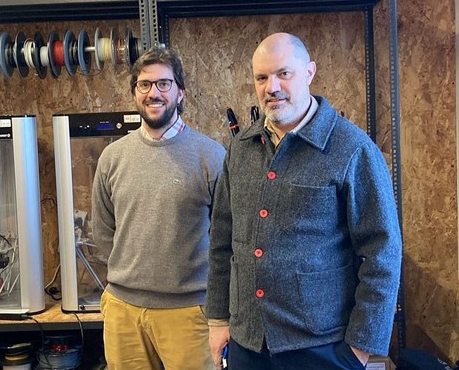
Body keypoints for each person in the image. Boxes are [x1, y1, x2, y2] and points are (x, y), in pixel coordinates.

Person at [206, 32, 402, 370]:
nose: (272, 87)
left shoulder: (352, 149)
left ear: (309, 72)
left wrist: (361, 346)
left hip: (322, 347)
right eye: (261, 78)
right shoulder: (241, 149)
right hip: (248, 343)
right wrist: (218, 319)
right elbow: (223, 240)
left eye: (284, 73)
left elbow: (382, 251)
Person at [92, 46, 226, 370]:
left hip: (190, 312)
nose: (154, 93)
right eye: (144, 84)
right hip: (123, 311)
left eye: (164, 84)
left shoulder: (211, 157)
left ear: (180, 92)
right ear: (135, 93)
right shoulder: (113, 157)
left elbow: (226, 238)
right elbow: (104, 231)